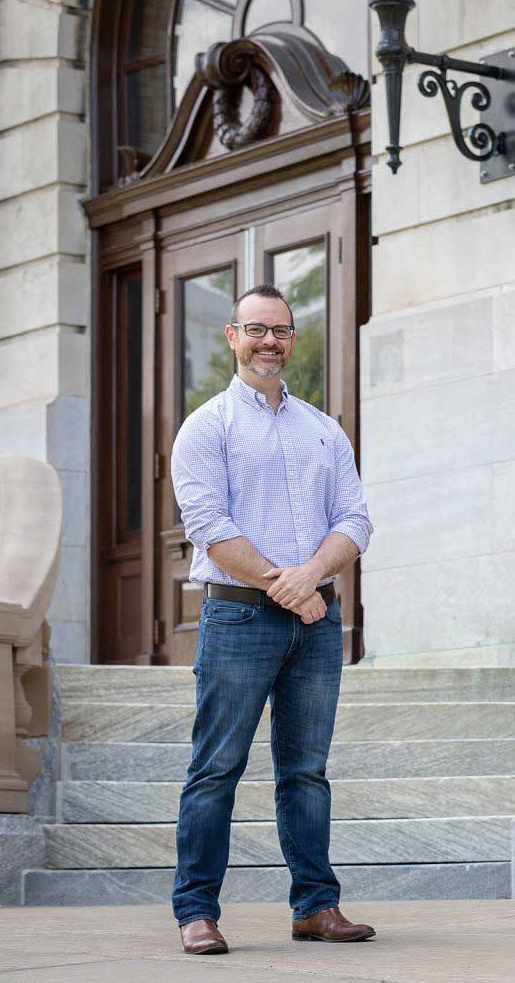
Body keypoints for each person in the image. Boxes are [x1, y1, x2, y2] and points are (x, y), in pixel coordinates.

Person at [168, 283, 375, 954]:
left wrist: (311, 579)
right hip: (238, 621)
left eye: (280, 330)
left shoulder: (323, 428)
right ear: (231, 336)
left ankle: (317, 906)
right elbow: (209, 526)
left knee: (306, 771)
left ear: (292, 339)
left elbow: (355, 520)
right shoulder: (207, 427)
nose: (269, 341)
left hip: (315, 624)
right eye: (255, 329)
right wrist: (290, 589)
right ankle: (196, 910)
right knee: (217, 767)